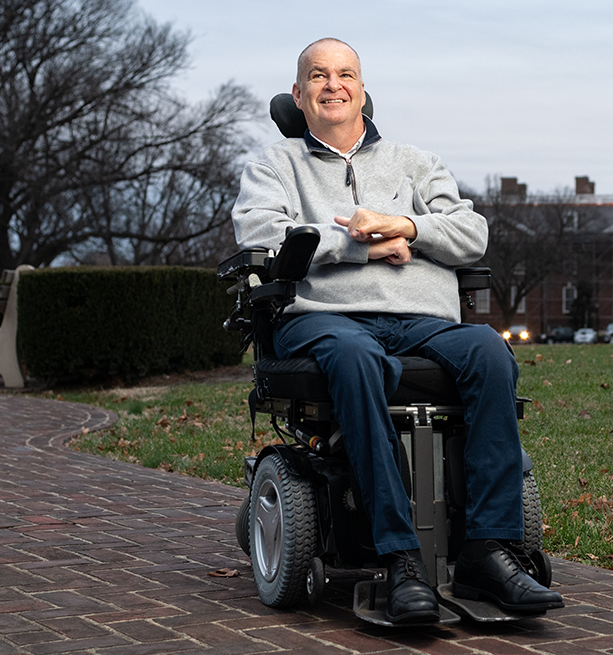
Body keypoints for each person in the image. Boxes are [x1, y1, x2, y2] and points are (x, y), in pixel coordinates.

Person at [233, 38, 563, 623]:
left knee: (488, 351)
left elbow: (470, 234)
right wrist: (364, 244)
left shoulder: (415, 162)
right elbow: (267, 238)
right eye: (318, 75)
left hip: (420, 321)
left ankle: (489, 549)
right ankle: (400, 557)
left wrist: (402, 222)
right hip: (322, 321)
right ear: (298, 94)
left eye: (345, 75)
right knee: (357, 359)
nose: (332, 85)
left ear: (363, 90)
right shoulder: (273, 167)